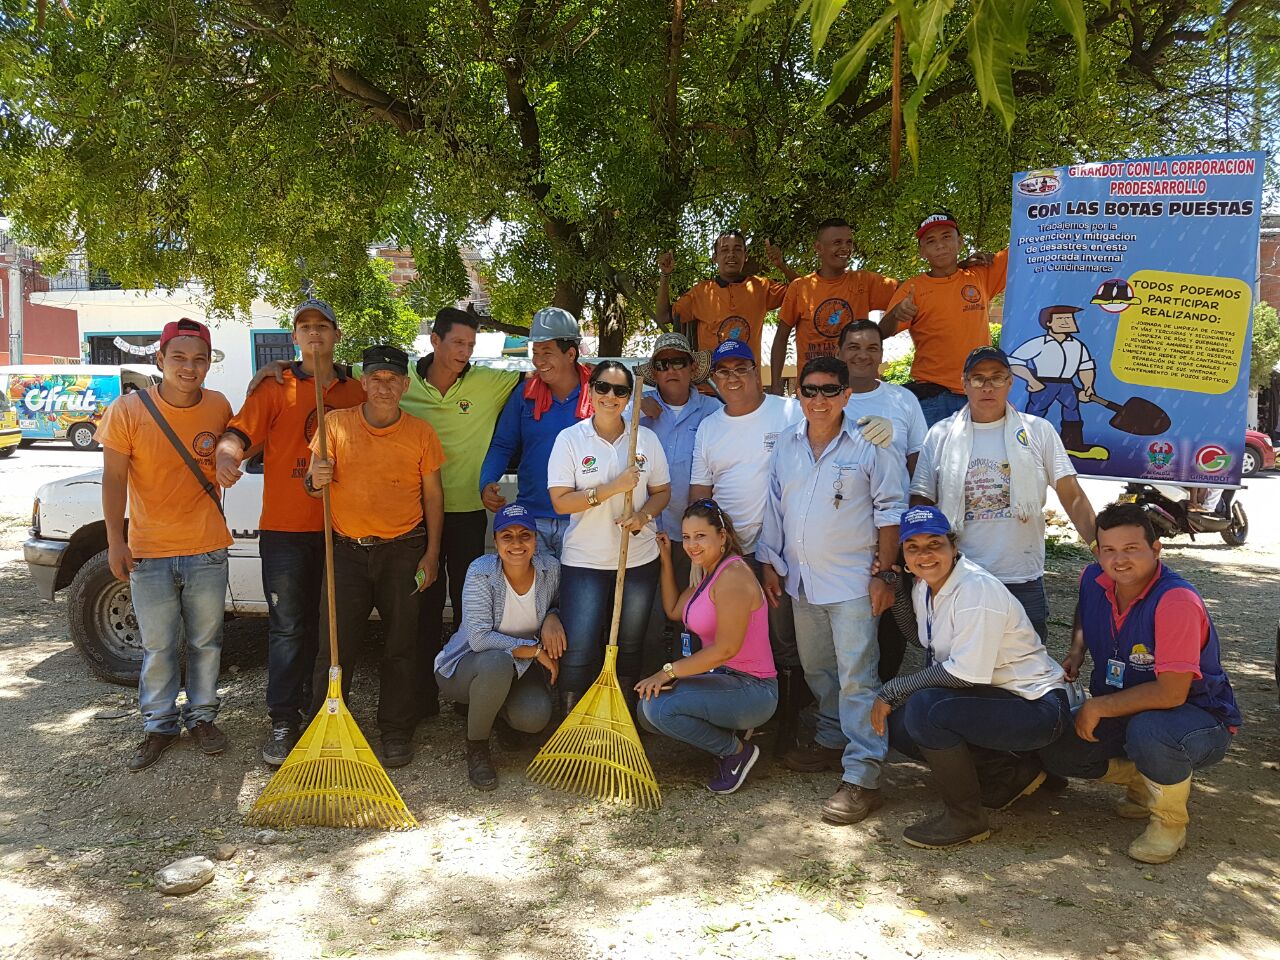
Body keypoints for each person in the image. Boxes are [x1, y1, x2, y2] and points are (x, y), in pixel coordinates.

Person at [1040, 503, 1242, 864]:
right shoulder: (1093, 577)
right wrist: (1076, 649)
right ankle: (1143, 777)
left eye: (1131, 548)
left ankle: (1169, 823)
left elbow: (1171, 693)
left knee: (1150, 732)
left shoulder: (1176, 601)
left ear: (1156, 549)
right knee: (1059, 745)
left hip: (1197, 717)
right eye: (1109, 550)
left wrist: (1098, 706)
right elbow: (1085, 608)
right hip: (1127, 706)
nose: (1119, 560)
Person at [214, 298, 366, 766]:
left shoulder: (354, 390)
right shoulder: (275, 387)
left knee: (331, 630)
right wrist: (225, 456)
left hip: (339, 531)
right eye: (305, 327)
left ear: (336, 334)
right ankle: (283, 720)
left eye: (323, 325)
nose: (314, 333)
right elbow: (238, 435)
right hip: (285, 530)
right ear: (295, 337)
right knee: (287, 629)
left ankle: (326, 713)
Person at [757, 355, 907, 825]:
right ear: (798, 394)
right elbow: (775, 507)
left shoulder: (871, 444)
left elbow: (891, 510)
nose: (818, 399)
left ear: (846, 394)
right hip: (801, 581)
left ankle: (864, 775)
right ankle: (831, 740)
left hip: (853, 583)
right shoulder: (786, 443)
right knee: (819, 671)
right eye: (810, 390)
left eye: (829, 390)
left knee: (858, 677)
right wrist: (769, 562)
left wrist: (886, 574)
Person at [871, 506, 1072, 848]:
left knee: (924, 710)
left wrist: (893, 689)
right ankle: (1012, 773)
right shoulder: (925, 586)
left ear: (954, 546)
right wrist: (898, 592)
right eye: (913, 547)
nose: (925, 554)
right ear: (904, 555)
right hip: (997, 698)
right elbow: (921, 638)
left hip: (1036, 706)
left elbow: (963, 674)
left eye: (934, 544)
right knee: (902, 726)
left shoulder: (976, 589)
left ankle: (966, 817)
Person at [98, 318, 234, 771]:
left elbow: (237, 443)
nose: (188, 367)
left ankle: (203, 717)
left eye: (199, 359)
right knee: (158, 646)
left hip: (207, 548)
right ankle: (158, 725)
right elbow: (114, 479)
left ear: (208, 365)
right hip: (149, 551)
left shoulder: (219, 406)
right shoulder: (127, 410)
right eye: (178, 357)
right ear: (160, 359)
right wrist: (115, 540)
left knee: (206, 642)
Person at [306, 344, 445, 768]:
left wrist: (432, 554)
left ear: (405, 385)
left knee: (401, 645)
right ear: (364, 382)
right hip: (346, 552)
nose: (384, 387)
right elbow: (311, 486)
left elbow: (433, 496)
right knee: (334, 647)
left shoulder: (421, 433)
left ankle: (396, 730)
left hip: (403, 551)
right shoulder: (334, 424)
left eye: (393, 380)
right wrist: (315, 480)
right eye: (377, 379)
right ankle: (326, 727)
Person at [911, 346, 1097, 641]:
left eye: (997, 377)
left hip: (1021, 576)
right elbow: (921, 501)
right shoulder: (940, 434)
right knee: (953, 659)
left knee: (1026, 661)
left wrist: (1099, 546)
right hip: (958, 574)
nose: (987, 386)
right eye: (978, 378)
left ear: (1010, 382)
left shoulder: (1038, 431)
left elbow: (1071, 495)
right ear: (964, 383)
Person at [402, 307, 522, 719]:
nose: (464, 352)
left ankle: (464, 692)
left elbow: (550, 372)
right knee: (423, 606)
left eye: (470, 345)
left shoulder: (490, 381)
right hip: (416, 519)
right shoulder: (402, 379)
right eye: (457, 343)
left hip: (468, 514)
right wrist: (279, 368)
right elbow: (346, 377)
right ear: (434, 341)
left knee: (470, 608)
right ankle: (421, 697)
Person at [546, 361, 671, 709]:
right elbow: (560, 501)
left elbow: (662, 491)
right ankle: (572, 720)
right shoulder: (571, 439)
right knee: (580, 647)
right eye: (602, 387)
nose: (610, 396)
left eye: (620, 390)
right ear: (591, 390)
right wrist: (612, 488)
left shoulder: (645, 439)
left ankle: (621, 716)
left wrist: (643, 515)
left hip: (637, 560)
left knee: (629, 645)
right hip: (585, 562)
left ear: (629, 397)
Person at [636, 500, 777, 795]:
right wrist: (666, 560)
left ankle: (736, 752)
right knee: (647, 708)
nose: (691, 545)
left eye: (700, 536)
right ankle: (727, 734)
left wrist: (668, 672)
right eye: (687, 537)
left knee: (658, 709)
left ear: (722, 536)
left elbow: (726, 649)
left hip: (753, 688)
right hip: (724, 679)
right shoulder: (707, 573)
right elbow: (674, 610)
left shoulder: (733, 576)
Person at [435, 503, 564, 791]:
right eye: (507, 536)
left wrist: (553, 616)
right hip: (467, 666)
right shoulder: (482, 571)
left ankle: (496, 713)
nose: (517, 544)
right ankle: (477, 747)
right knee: (497, 662)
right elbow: (480, 639)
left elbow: (558, 603)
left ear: (535, 539)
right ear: (495, 542)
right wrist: (535, 650)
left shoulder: (550, 569)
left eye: (525, 535)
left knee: (533, 717)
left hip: (520, 667)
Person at [839, 319, 928, 682]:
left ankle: (886, 691)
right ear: (840, 352)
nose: (863, 355)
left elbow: (919, 465)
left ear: (881, 354)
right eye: (854, 347)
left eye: (872, 348)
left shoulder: (902, 400)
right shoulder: (826, 397)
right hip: (844, 531)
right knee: (846, 615)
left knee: (892, 614)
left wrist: (917, 525)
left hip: (892, 529)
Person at [636, 332, 720, 673]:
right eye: (662, 364)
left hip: (693, 537)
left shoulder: (714, 411)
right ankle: (649, 686)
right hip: (646, 532)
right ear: (654, 372)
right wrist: (635, 409)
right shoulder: (636, 408)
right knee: (649, 617)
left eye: (679, 361)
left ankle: (691, 683)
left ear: (691, 368)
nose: (670, 369)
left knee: (693, 615)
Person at [480, 307, 592, 556]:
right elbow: (502, 445)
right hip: (532, 521)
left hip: (584, 521)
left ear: (571, 354)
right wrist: (486, 482)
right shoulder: (525, 395)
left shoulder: (600, 393)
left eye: (547, 353)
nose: (538, 361)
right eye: (535, 352)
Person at [880, 211, 1009, 426]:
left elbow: (1026, 248)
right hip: (933, 396)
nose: (940, 245)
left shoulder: (979, 275)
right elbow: (881, 332)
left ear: (960, 242)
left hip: (977, 393)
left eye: (947, 237)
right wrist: (896, 313)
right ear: (922, 251)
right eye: (931, 241)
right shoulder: (914, 288)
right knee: (929, 450)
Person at [770, 217, 898, 388]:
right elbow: (781, 337)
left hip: (859, 388)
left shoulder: (865, 281)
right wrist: (776, 386)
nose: (845, 248)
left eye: (849, 242)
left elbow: (907, 293)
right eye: (837, 242)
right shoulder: (800, 287)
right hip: (816, 390)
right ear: (818, 248)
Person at [656, 230, 798, 358]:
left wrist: (781, 265)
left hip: (748, 377)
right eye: (724, 250)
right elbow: (663, 316)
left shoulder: (761, 287)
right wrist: (664, 275)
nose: (731, 254)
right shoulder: (701, 292)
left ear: (745, 256)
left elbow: (802, 293)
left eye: (737, 249)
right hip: (711, 379)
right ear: (715, 258)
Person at [1007, 304, 1098, 454]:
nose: (1066, 322)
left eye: (1069, 318)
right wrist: (1031, 380)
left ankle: (1072, 444)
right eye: (1061, 319)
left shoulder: (1077, 345)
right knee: (1036, 412)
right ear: (1048, 323)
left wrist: (1088, 386)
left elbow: (1085, 367)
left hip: (1067, 384)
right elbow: (1013, 362)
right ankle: (1026, 443)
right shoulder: (1039, 343)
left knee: (1072, 411)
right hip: (1044, 383)